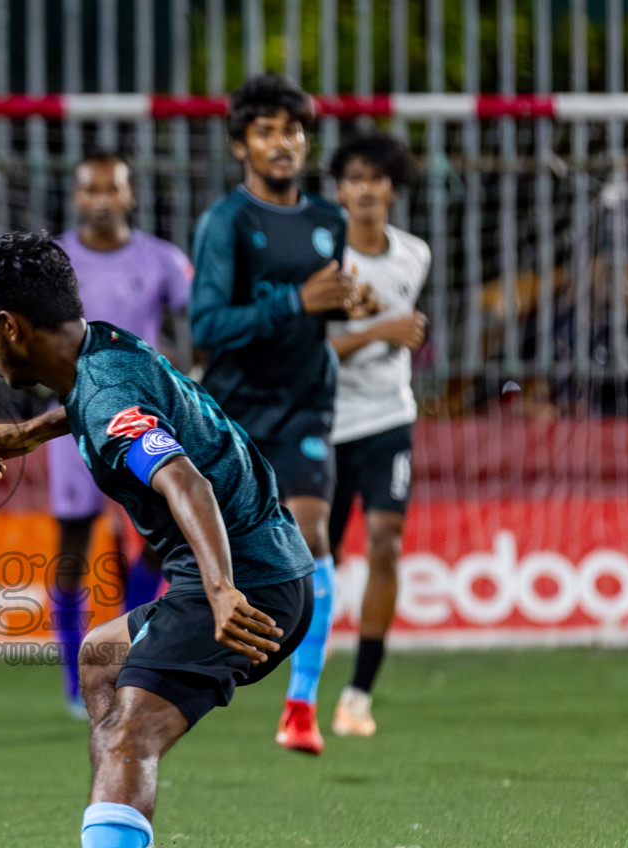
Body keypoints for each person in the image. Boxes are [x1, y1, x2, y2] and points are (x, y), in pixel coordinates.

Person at [0, 232, 313, 848]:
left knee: (130, 732)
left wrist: (217, 592)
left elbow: (185, 480)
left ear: (13, 325)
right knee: (101, 659)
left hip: (243, 584)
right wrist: (28, 432)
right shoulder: (104, 350)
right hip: (267, 569)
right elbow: (101, 408)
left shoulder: (106, 388)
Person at [189, 73, 354, 756]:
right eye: (266, 132)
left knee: (312, 534)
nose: (282, 143)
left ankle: (301, 705)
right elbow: (206, 324)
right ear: (241, 146)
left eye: (292, 130)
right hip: (233, 412)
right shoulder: (226, 223)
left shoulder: (329, 221)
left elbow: (327, 311)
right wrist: (297, 303)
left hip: (306, 408)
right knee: (216, 555)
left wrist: (352, 304)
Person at [48, 153, 195, 718]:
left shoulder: (162, 260)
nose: (102, 198)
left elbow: (198, 324)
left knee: (160, 541)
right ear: (77, 196)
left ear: (131, 196)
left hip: (144, 419)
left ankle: (125, 654)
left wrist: (182, 373)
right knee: (72, 548)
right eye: (91, 189)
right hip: (70, 419)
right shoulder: (53, 259)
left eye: (114, 187)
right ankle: (71, 678)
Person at [325, 133, 431, 737]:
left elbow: (403, 331)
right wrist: (380, 331)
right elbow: (313, 351)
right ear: (339, 190)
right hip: (328, 422)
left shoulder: (414, 255)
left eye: (376, 178)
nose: (366, 189)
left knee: (386, 540)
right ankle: (303, 679)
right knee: (323, 559)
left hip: (390, 417)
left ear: (392, 187)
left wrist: (395, 331)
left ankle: (360, 691)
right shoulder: (326, 261)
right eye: (354, 178)